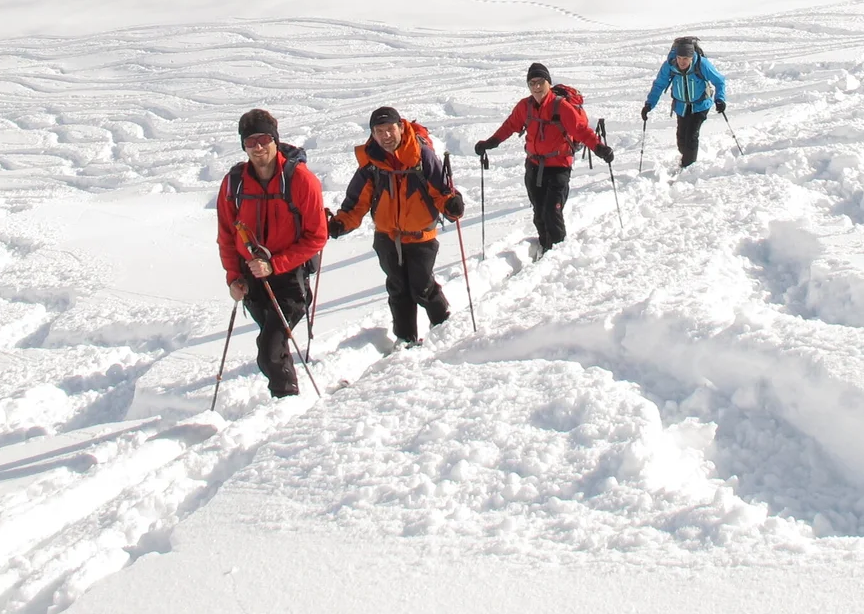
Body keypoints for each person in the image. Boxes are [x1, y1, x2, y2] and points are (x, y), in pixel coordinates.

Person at [326, 106, 466, 348]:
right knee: (398, 288)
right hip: (387, 237)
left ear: (401, 127)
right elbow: (357, 201)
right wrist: (341, 223)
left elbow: (441, 191)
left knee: (421, 286)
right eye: (379, 131)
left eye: (389, 129)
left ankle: (442, 324)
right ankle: (405, 337)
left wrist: (452, 206)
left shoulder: (422, 156)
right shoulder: (372, 163)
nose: (385, 136)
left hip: (421, 236)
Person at [215, 108, 328, 397]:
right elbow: (227, 236)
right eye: (250, 141)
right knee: (274, 343)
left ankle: (286, 400)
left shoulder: (302, 181)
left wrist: (275, 265)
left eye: (263, 138)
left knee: (269, 351)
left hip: (290, 279)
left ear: (275, 140)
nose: (258, 147)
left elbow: (317, 236)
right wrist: (233, 278)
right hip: (252, 279)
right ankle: (290, 395)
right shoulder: (233, 184)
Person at [473, 62, 610, 254]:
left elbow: (580, 130)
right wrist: (490, 142)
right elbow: (509, 126)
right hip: (534, 166)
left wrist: (600, 148)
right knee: (539, 213)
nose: (536, 87)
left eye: (540, 82)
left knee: (551, 212)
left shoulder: (560, 106)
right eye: (532, 83)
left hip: (559, 167)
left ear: (548, 83)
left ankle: (557, 255)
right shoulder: (525, 106)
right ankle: (546, 247)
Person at [642, 35, 728, 169]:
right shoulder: (670, 66)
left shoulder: (702, 64)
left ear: (692, 57)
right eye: (679, 58)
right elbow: (659, 84)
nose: (682, 62)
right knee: (681, 139)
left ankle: (688, 168)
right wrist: (649, 104)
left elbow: (719, 81)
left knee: (691, 138)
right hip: (681, 106)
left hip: (700, 105)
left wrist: (720, 99)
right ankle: (686, 158)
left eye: (685, 59)